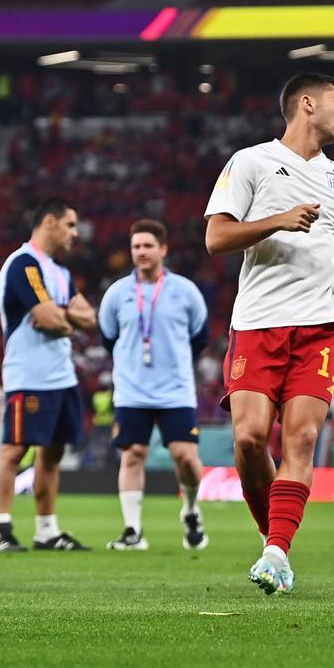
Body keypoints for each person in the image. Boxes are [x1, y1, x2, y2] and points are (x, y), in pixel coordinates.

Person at [204, 72, 334, 595]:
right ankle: (271, 536)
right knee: (250, 439)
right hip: (257, 323)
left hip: (320, 328)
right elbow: (216, 237)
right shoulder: (250, 162)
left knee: (299, 439)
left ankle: (277, 551)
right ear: (307, 104)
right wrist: (276, 219)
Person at [0, 197, 97, 552]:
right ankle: (0, 529)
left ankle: (46, 530)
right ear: (49, 222)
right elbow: (49, 319)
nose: (74, 233)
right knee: (14, 449)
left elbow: (88, 318)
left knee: (52, 452)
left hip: (61, 375)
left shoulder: (61, 272)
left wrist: (59, 315)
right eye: (69, 225)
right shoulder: (24, 264)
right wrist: (64, 319)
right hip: (28, 374)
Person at [98, 219, 210, 551]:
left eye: (148, 246)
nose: (141, 252)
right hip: (132, 390)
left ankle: (190, 510)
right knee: (133, 454)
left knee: (185, 456)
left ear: (163, 249)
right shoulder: (117, 293)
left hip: (175, 389)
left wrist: (171, 362)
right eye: (136, 247)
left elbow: (199, 337)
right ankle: (133, 530)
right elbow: (108, 338)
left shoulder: (185, 291)